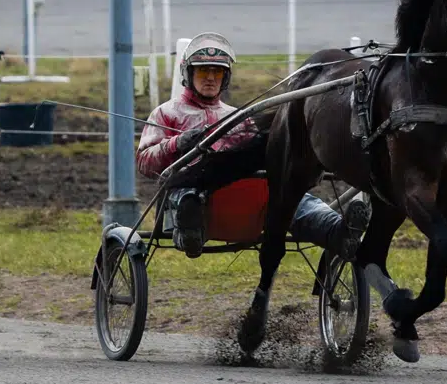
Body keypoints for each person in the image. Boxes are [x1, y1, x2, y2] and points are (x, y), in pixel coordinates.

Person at [136, 33, 371, 276]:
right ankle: (189, 233)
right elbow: (144, 162)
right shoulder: (166, 113)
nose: (210, 78)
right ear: (188, 73)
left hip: (248, 195)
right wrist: (177, 143)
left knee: (292, 197)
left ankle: (339, 232)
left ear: (225, 77)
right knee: (188, 198)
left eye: (217, 72)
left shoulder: (239, 118)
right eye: (203, 71)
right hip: (194, 192)